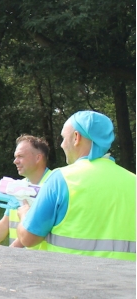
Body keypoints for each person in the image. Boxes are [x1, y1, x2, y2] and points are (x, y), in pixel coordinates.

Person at [17, 111, 136, 260]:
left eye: (63, 138)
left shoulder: (61, 179)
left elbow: (28, 239)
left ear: (76, 137)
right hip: (127, 275)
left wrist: (24, 214)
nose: (61, 145)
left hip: (72, 274)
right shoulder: (133, 180)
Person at [0, 135, 51, 248]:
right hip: (18, 257)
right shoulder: (19, 186)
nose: (15, 161)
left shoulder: (55, 185)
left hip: (43, 257)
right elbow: (4, 223)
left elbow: (38, 227)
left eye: (20, 156)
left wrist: (9, 252)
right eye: (15, 157)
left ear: (38, 158)